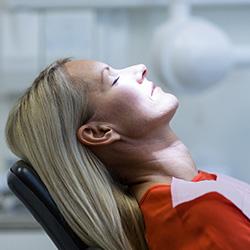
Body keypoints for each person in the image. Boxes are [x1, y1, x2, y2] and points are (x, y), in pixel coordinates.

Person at [5, 58, 250, 250]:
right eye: (113, 80)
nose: (140, 68)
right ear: (100, 132)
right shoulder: (193, 213)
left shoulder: (190, 196)